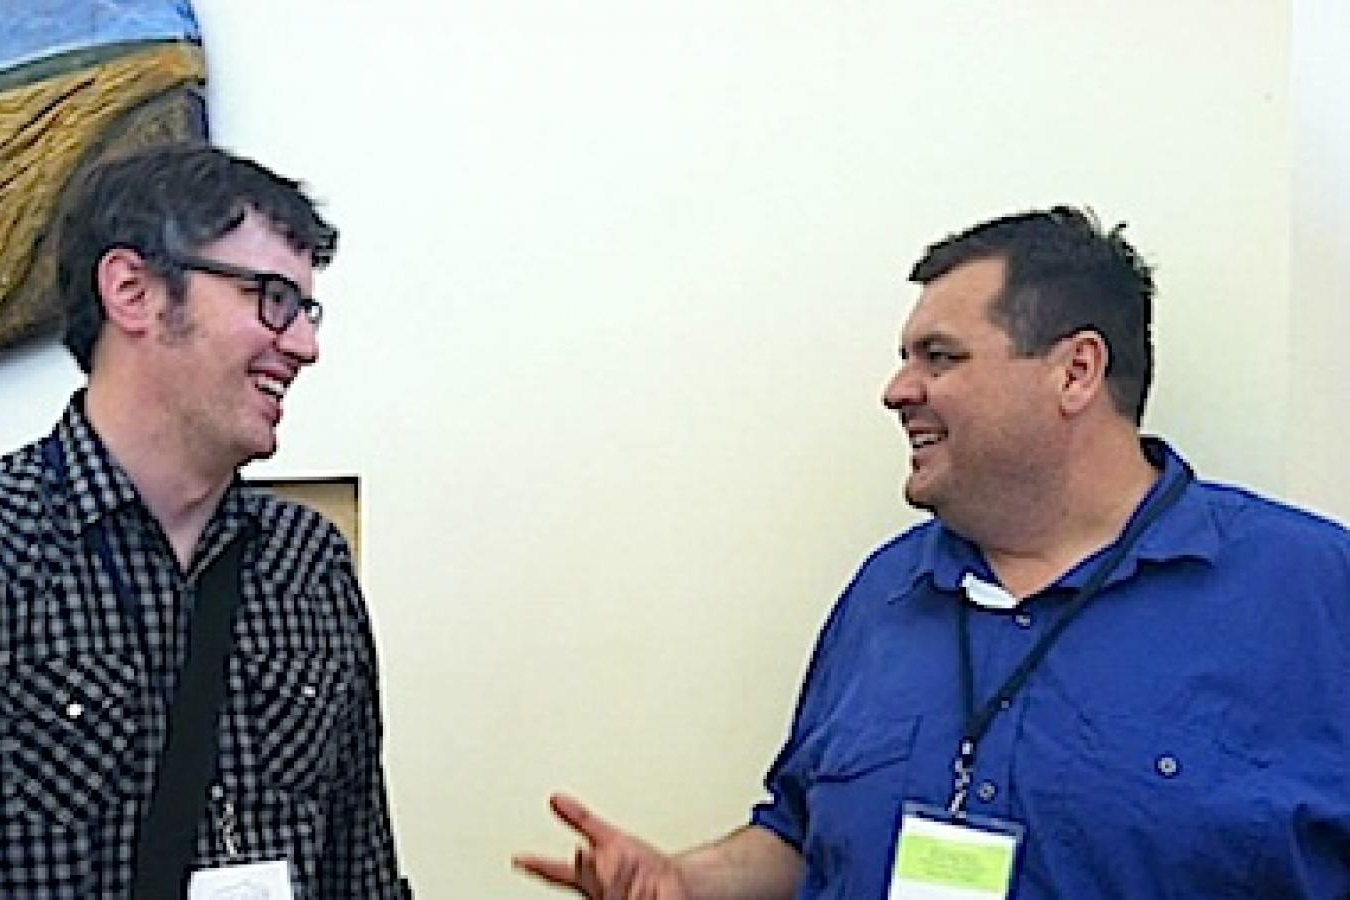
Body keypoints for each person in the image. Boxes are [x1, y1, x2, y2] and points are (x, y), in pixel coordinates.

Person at [516, 206, 1350, 898]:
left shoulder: (1311, 594)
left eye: (940, 357)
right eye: (905, 359)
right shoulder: (885, 594)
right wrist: (685, 881)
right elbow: (800, 835)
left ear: (1076, 371)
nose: (897, 390)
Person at [0, 145, 411, 898]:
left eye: (305, 309)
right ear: (133, 290)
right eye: (270, 297)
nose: (304, 345)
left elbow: (360, 875)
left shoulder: (313, 567)